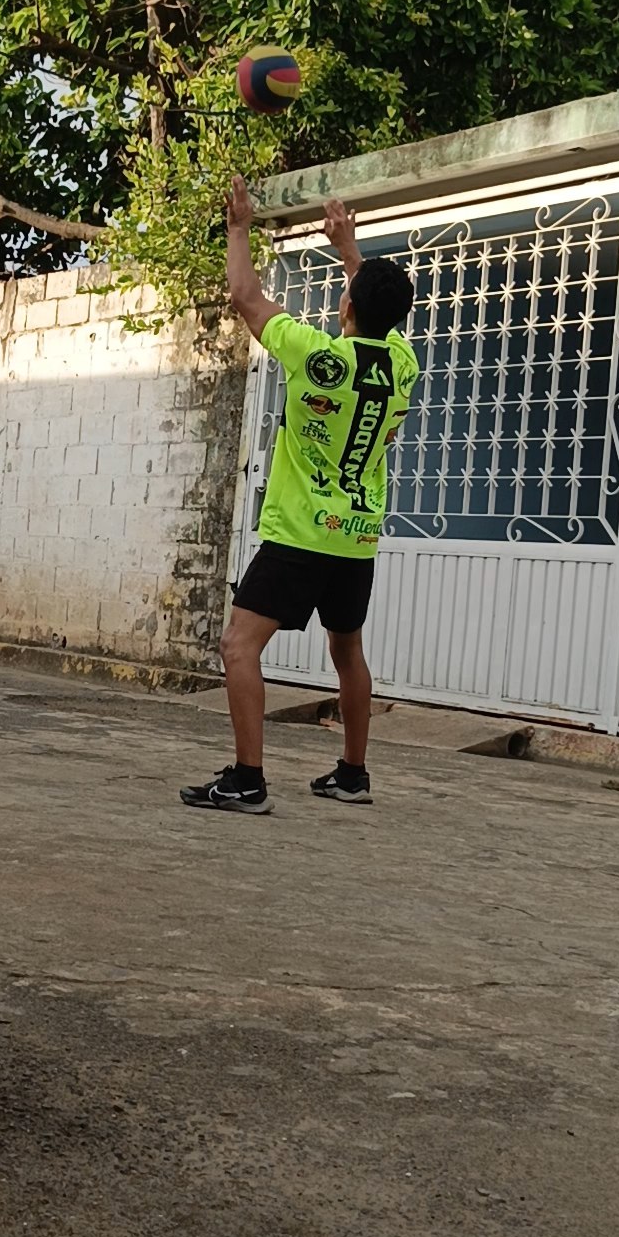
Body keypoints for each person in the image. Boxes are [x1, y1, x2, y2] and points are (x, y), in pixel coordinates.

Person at [182, 178, 417, 813]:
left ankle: (248, 779)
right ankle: (353, 774)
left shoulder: (315, 356)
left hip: (300, 536)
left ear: (346, 306)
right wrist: (351, 252)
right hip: (356, 537)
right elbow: (375, 308)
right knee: (348, 651)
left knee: (239, 646)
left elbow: (244, 296)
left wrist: (238, 227)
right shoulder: (403, 364)